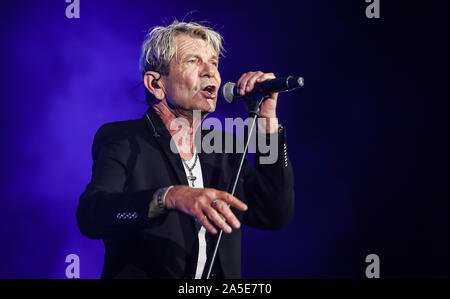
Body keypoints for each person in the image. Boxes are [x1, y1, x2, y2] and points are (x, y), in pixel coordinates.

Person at [76, 20, 295, 279]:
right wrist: (169, 197)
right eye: (193, 61)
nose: (210, 72)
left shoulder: (225, 148)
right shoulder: (124, 139)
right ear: (155, 84)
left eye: (213, 62)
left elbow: (273, 213)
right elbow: (92, 215)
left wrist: (267, 122)